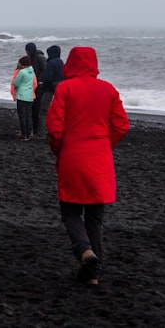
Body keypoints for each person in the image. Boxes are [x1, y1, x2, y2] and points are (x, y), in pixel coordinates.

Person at [45, 46, 130, 285]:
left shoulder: (65, 89)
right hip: (100, 159)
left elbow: (54, 128)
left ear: (70, 63)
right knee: (95, 217)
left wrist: (60, 149)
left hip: (73, 156)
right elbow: (122, 125)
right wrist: (105, 144)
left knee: (70, 211)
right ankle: (93, 273)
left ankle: (85, 252)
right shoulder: (108, 89)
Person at [37, 45, 65, 130]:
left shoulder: (51, 63)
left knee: (43, 111)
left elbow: (48, 77)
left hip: (50, 89)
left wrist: (43, 86)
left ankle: (43, 132)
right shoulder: (61, 62)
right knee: (59, 110)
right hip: (61, 87)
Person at [10, 56, 37, 140]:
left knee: (22, 115)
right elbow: (34, 84)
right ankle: (29, 133)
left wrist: (13, 83)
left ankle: (24, 134)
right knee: (28, 115)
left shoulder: (22, 72)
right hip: (29, 95)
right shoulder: (32, 72)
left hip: (22, 95)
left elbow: (16, 83)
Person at [24, 42, 48, 136]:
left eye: (27, 51)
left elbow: (45, 70)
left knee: (37, 108)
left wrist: (38, 80)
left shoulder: (39, 57)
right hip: (34, 86)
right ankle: (34, 129)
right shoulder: (33, 58)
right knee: (34, 108)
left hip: (39, 87)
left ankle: (37, 130)